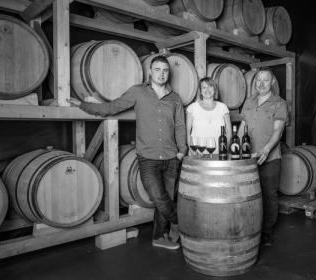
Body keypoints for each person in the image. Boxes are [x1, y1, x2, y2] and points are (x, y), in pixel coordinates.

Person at [69, 55, 187, 250]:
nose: (161, 73)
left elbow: (180, 126)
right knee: (159, 197)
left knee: (166, 199)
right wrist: (83, 105)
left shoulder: (175, 98)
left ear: (168, 73)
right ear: (150, 72)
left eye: (165, 70)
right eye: (157, 69)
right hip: (147, 157)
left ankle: (159, 237)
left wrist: (182, 151)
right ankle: (182, 224)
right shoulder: (138, 92)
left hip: (171, 157)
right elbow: (112, 107)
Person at [237, 67, 287, 247]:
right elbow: (243, 126)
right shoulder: (249, 101)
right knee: (247, 195)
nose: (261, 84)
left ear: (272, 82)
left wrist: (265, 150)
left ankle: (266, 232)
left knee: (268, 195)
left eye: (265, 80)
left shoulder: (279, 103)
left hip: (269, 158)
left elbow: (278, 131)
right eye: (258, 80)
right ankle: (250, 229)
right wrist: (236, 147)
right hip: (248, 158)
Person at [186, 77, 231, 156]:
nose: (207, 90)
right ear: (200, 91)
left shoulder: (223, 107)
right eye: (204, 87)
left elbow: (229, 131)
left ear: (214, 89)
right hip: (198, 154)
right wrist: (191, 149)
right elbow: (188, 132)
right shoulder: (192, 108)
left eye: (210, 86)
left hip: (219, 154)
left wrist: (224, 149)